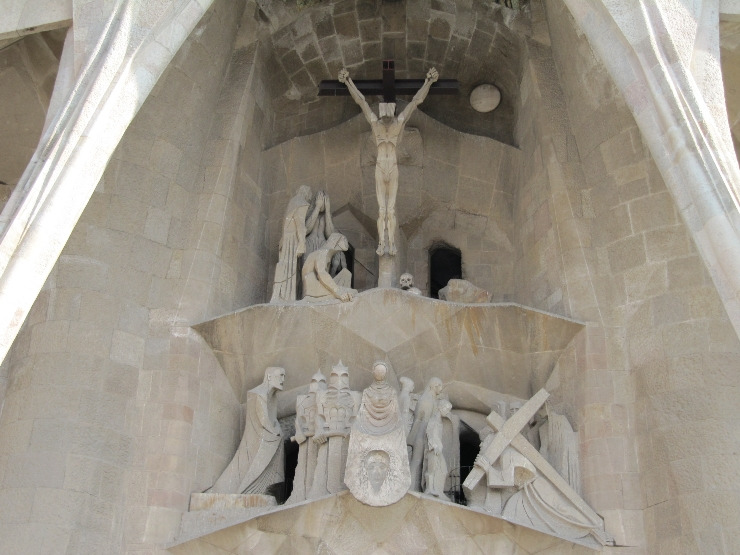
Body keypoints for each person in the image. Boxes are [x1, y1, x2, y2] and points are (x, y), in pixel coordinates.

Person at [339, 67, 439, 256]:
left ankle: (391, 244)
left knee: (390, 210)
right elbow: (361, 101)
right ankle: (382, 243)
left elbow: (415, 102)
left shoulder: (399, 123)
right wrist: (348, 82)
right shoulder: (375, 124)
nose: (385, 113)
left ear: (392, 110)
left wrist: (428, 82)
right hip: (380, 168)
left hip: (392, 168)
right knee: (382, 211)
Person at [209, 367, 286, 495]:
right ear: (269, 377)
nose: (283, 379)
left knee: (279, 440)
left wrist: (277, 429)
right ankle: (245, 489)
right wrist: (274, 431)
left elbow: (272, 419)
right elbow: (262, 419)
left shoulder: (273, 397)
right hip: (257, 437)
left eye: (284, 376)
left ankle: (266, 485)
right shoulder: (258, 394)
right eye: (280, 376)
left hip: (267, 435)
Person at [271, 186, 321, 302]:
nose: (309, 199)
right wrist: (302, 243)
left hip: (286, 238)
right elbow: (301, 225)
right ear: (306, 193)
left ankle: (279, 294)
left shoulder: (292, 202)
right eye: (309, 196)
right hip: (293, 239)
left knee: (284, 265)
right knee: (290, 267)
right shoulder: (301, 203)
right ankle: (286, 297)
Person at [301, 232, 356, 302]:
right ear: (337, 241)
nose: (346, 242)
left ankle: (344, 299)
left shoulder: (328, 255)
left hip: (317, 285)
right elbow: (321, 274)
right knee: (352, 292)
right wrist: (338, 292)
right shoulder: (323, 252)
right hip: (312, 287)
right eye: (344, 239)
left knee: (346, 274)